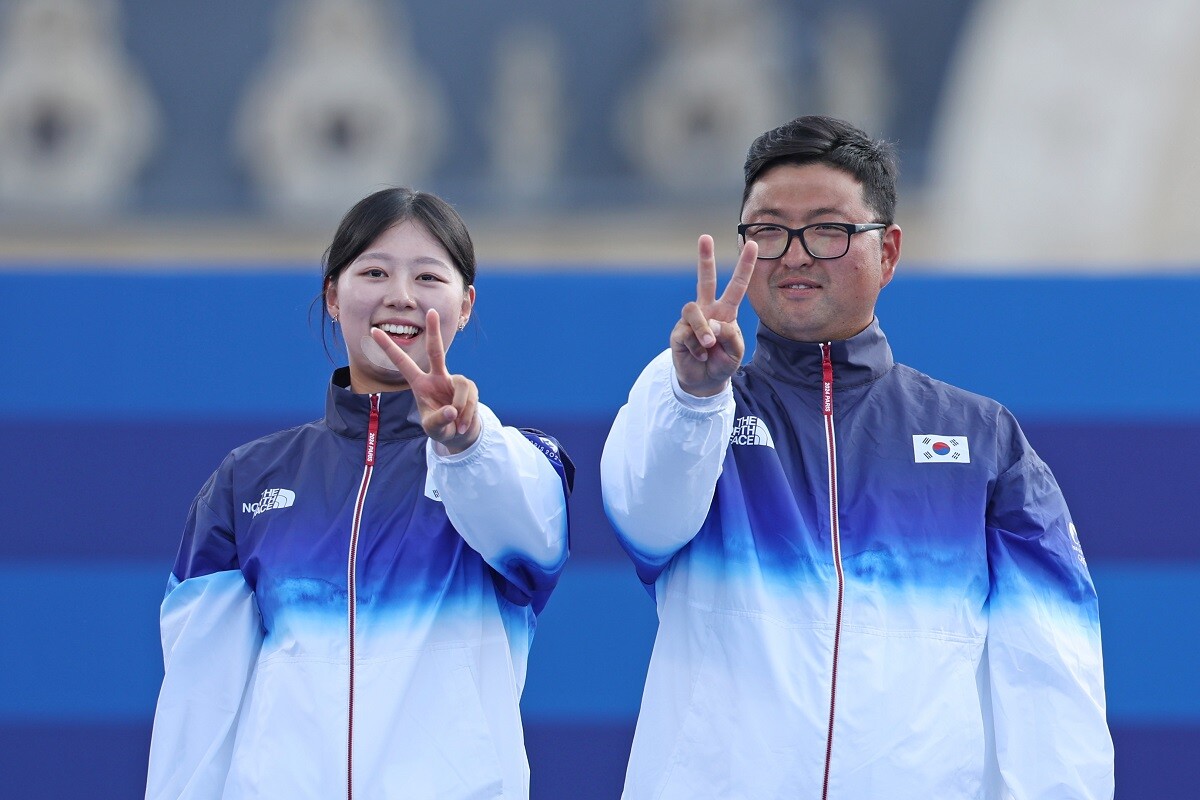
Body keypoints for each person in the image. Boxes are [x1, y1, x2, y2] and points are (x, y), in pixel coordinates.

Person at [601, 115, 1113, 799]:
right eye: (768, 230)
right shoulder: (688, 400)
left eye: (828, 229)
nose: (796, 254)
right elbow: (645, 516)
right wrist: (695, 396)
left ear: (889, 251)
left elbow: (1051, 680)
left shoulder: (984, 441)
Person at [145, 187, 573, 799]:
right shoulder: (248, 481)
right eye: (373, 271)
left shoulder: (514, 464)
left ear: (467, 305)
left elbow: (530, 531)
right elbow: (199, 705)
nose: (400, 295)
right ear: (332, 294)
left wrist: (465, 446)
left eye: (428, 276)